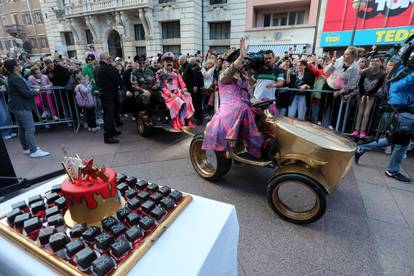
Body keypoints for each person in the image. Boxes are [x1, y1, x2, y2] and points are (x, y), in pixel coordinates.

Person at [202, 38, 263, 158]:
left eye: (244, 61)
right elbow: (229, 73)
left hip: (243, 105)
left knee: (265, 106)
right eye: (241, 61)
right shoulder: (224, 75)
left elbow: (249, 94)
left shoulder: (243, 78)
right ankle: (238, 142)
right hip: (229, 108)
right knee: (242, 107)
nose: (244, 63)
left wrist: (253, 98)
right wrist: (240, 58)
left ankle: (265, 141)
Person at [355, 58, 413, 183]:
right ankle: (392, 169)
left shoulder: (404, 70)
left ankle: (362, 148)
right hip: (400, 111)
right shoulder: (400, 71)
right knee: (401, 142)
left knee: (393, 140)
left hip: (403, 111)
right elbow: (397, 86)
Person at [3, 59, 49, 158]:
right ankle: (33, 150)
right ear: (15, 67)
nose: (20, 65)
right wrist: (36, 91)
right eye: (18, 64)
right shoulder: (15, 78)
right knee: (29, 128)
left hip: (17, 106)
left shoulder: (12, 77)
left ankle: (26, 148)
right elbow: (26, 93)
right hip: (21, 107)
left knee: (23, 128)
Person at [322, 47, 360, 129]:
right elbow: (326, 72)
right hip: (329, 84)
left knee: (335, 108)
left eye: (347, 54)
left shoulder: (356, 68)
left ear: (353, 56)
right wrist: (332, 63)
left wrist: (340, 92)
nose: (344, 55)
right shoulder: (339, 60)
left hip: (340, 89)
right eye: (344, 53)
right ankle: (319, 121)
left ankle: (331, 126)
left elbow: (351, 84)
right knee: (323, 105)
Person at [155, 52, 195, 130]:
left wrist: (184, 90)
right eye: (167, 61)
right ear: (163, 62)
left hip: (177, 91)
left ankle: (185, 119)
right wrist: (170, 94)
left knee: (187, 97)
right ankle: (175, 121)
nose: (169, 63)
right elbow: (161, 87)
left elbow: (182, 83)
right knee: (176, 100)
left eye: (171, 61)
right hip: (166, 94)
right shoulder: (159, 73)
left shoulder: (176, 72)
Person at [352, 56, 386, 138]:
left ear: (380, 63)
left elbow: (378, 86)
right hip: (362, 94)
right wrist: (364, 94)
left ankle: (363, 130)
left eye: (377, 60)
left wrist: (368, 94)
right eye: (373, 60)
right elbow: (360, 84)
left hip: (372, 95)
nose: (374, 62)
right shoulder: (365, 71)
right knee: (360, 112)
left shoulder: (382, 73)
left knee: (366, 113)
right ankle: (356, 129)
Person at [94, 52, 123, 144]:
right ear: (107, 59)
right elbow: (118, 80)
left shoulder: (97, 68)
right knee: (109, 115)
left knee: (110, 114)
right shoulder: (109, 68)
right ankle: (107, 136)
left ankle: (112, 131)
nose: (110, 59)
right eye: (109, 58)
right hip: (109, 94)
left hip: (104, 94)